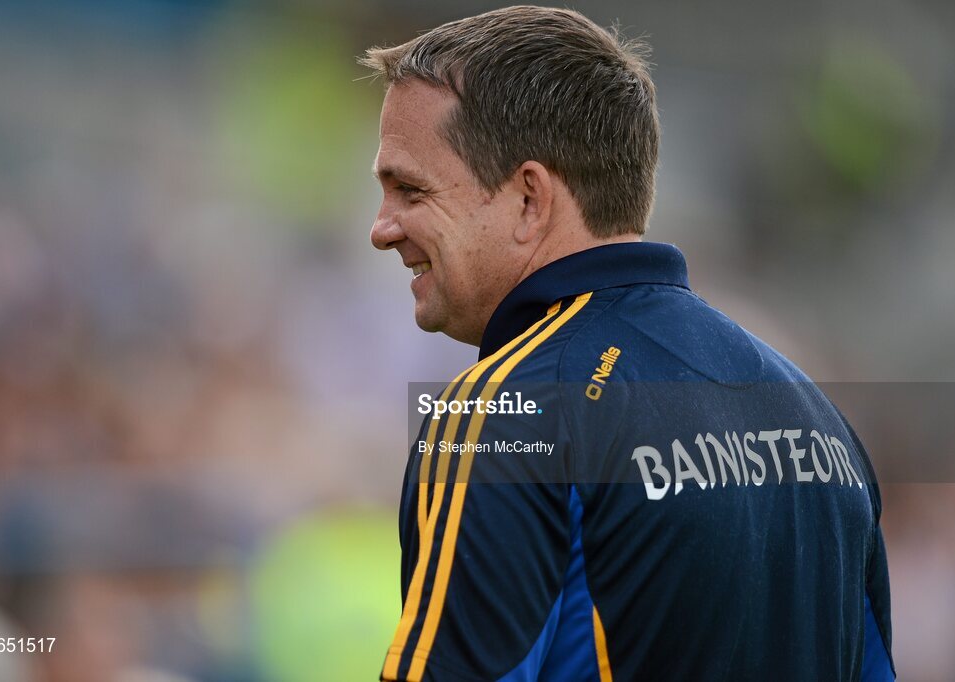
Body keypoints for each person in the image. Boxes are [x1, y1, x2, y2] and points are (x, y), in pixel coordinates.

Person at [362, 6, 894, 681]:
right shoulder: (816, 416)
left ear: (530, 200)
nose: (382, 228)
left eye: (409, 189)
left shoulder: (506, 414)